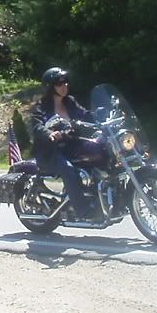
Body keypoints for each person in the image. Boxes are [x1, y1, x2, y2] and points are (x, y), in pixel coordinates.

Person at [29, 67, 95, 219]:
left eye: (66, 81)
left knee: (98, 155)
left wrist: (104, 115)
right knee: (69, 169)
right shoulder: (41, 107)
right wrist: (50, 133)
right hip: (50, 152)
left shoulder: (70, 102)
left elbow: (85, 115)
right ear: (50, 87)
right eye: (60, 83)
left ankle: (96, 197)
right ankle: (83, 210)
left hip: (71, 146)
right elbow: (37, 127)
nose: (65, 85)